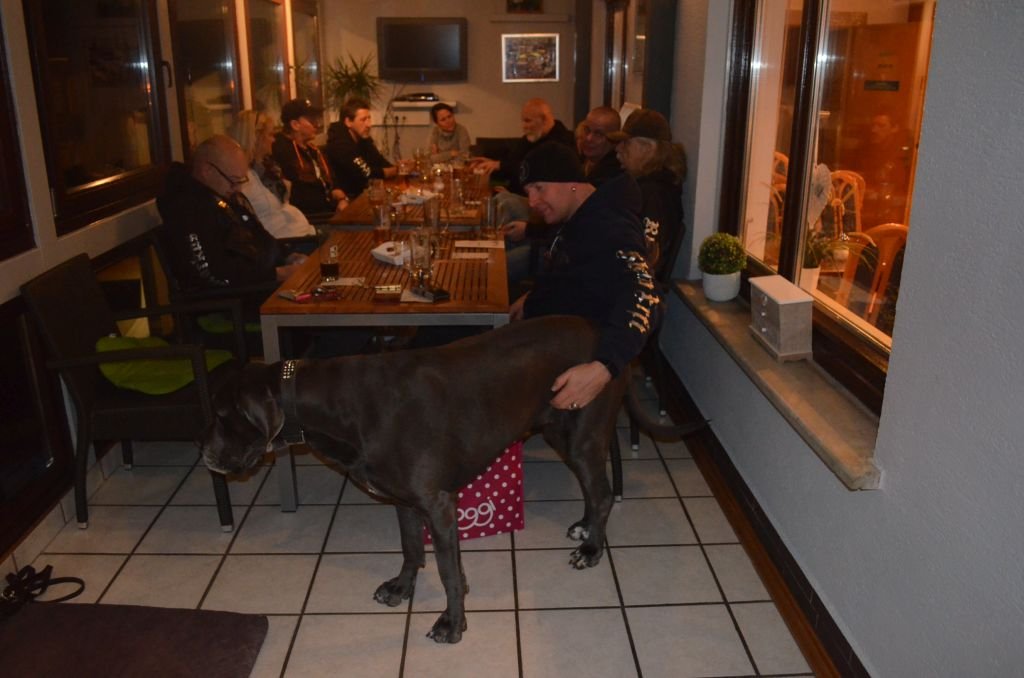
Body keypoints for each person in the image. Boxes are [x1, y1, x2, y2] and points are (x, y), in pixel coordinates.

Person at [509, 143, 660, 410]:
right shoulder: (581, 215)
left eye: (539, 188)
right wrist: (533, 297)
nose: (532, 201)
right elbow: (573, 275)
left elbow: (644, 293)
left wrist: (604, 367)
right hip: (548, 330)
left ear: (571, 183)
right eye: (528, 191)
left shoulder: (611, 226)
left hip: (571, 349)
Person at [157, 134, 306, 295]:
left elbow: (259, 237)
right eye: (233, 180)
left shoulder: (223, 195)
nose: (238, 188)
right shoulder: (188, 209)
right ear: (207, 171)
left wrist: (286, 256)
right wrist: (277, 274)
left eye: (241, 181)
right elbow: (213, 274)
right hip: (234, 301)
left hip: (261, 284)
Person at [610, 108, 686, 279]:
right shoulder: (644, 188)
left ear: (648, 148)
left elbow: (647, 261)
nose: (618, 149)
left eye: (626, 143)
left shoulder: (654, 195)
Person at [230, 110, 315, 240]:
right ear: (256, 138)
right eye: (270, 135)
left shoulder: (265, 170)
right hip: (291, 242)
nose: (274, 140)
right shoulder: (241, 179)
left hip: (303, 232)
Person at [470, 97, 575, 195]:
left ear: (544, 120)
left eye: (528, 121)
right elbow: (512, 164)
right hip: (512, 194)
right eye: (523, 121)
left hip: (535, 201)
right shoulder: (532, 137)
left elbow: (535, 170)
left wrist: (500, 165)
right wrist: (490, 165)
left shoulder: (562, 143)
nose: (523, 126)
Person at [271, 98, 347, 218]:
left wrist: (338, 195)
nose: (317, 125)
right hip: (310, 217)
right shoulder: (283, 151)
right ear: (295, 125)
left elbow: (332, 180)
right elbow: (300, 193)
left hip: (329, 210)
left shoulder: (312, 150)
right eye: (312, 120)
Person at [325, 97, 397, 200]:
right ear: (348, 122)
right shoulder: (339, 144)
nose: (369, 124)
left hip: (364, 193)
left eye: (369, 118)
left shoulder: (363, 138)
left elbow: (379, 160)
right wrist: (390, 171)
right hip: (348, 199)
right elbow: (366, 173)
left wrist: (397, 168)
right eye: (363, 120)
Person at [578, 106, 624, 187]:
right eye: (587, 130)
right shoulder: (580, 160)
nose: (588, 138)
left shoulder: (612, 176)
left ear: (614, 139)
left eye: (598, 134)